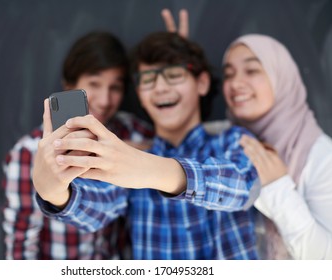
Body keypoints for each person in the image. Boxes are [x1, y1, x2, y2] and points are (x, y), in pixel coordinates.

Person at [32, 31, 260, 259]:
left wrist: (150, 170)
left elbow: (245, 188)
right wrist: (56, 193)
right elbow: (99, 206)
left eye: (173, 74)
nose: (160, 87)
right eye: (148, 79)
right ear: (139, 95)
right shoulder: (130, 155)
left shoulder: (233, 140)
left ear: (201, 82)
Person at [1, 31, 154, 259]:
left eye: (115, 87)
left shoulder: (130, 131)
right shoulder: (28, 153)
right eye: (94, 84)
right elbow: (21, 245)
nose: (105, 100)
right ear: (69, 85)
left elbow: (172, 146)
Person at [222, 34, 332, 259]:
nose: (235, 83)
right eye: (228, 74)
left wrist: (277, 188)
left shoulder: (322, 157)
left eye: (252, 70)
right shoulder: (229, 140)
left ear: (281, 77)